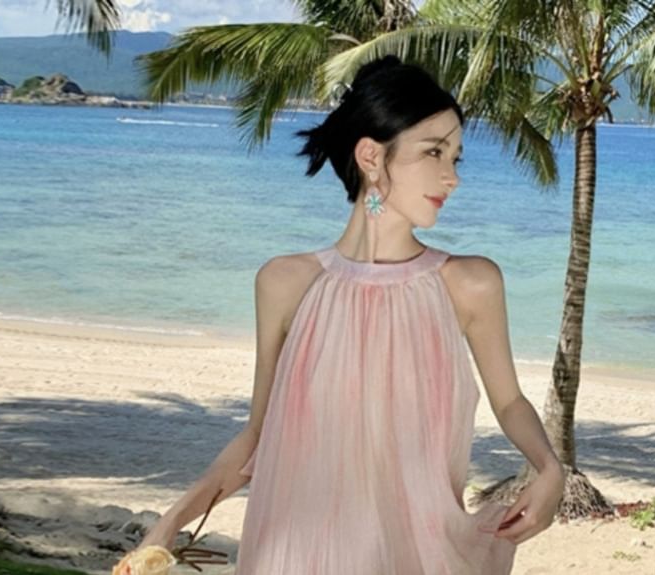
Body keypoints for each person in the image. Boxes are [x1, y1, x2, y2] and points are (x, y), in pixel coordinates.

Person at [135, 55, 566, 574]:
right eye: (434, 152)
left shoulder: (470, 283)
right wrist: (168, 525)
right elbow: (256, 439)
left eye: (456, 157)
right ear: (371, 156)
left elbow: (510, 400)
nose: (451, 177)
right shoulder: (285, 283)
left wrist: (549, 469)